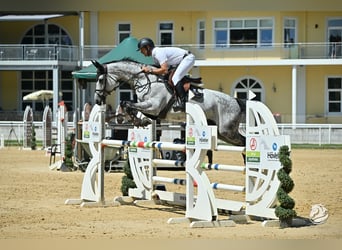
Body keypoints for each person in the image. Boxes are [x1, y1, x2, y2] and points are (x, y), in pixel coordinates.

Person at [137, 37, 195, 111]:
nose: (141, 52)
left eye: (142, 50)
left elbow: (164, 70)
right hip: (180, 61)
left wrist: (150, 70)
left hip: (188, 58)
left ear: (147, 47)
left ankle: (183, 103)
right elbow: (159, 69)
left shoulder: (158, 53)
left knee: (175, 78)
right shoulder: (154, 56)